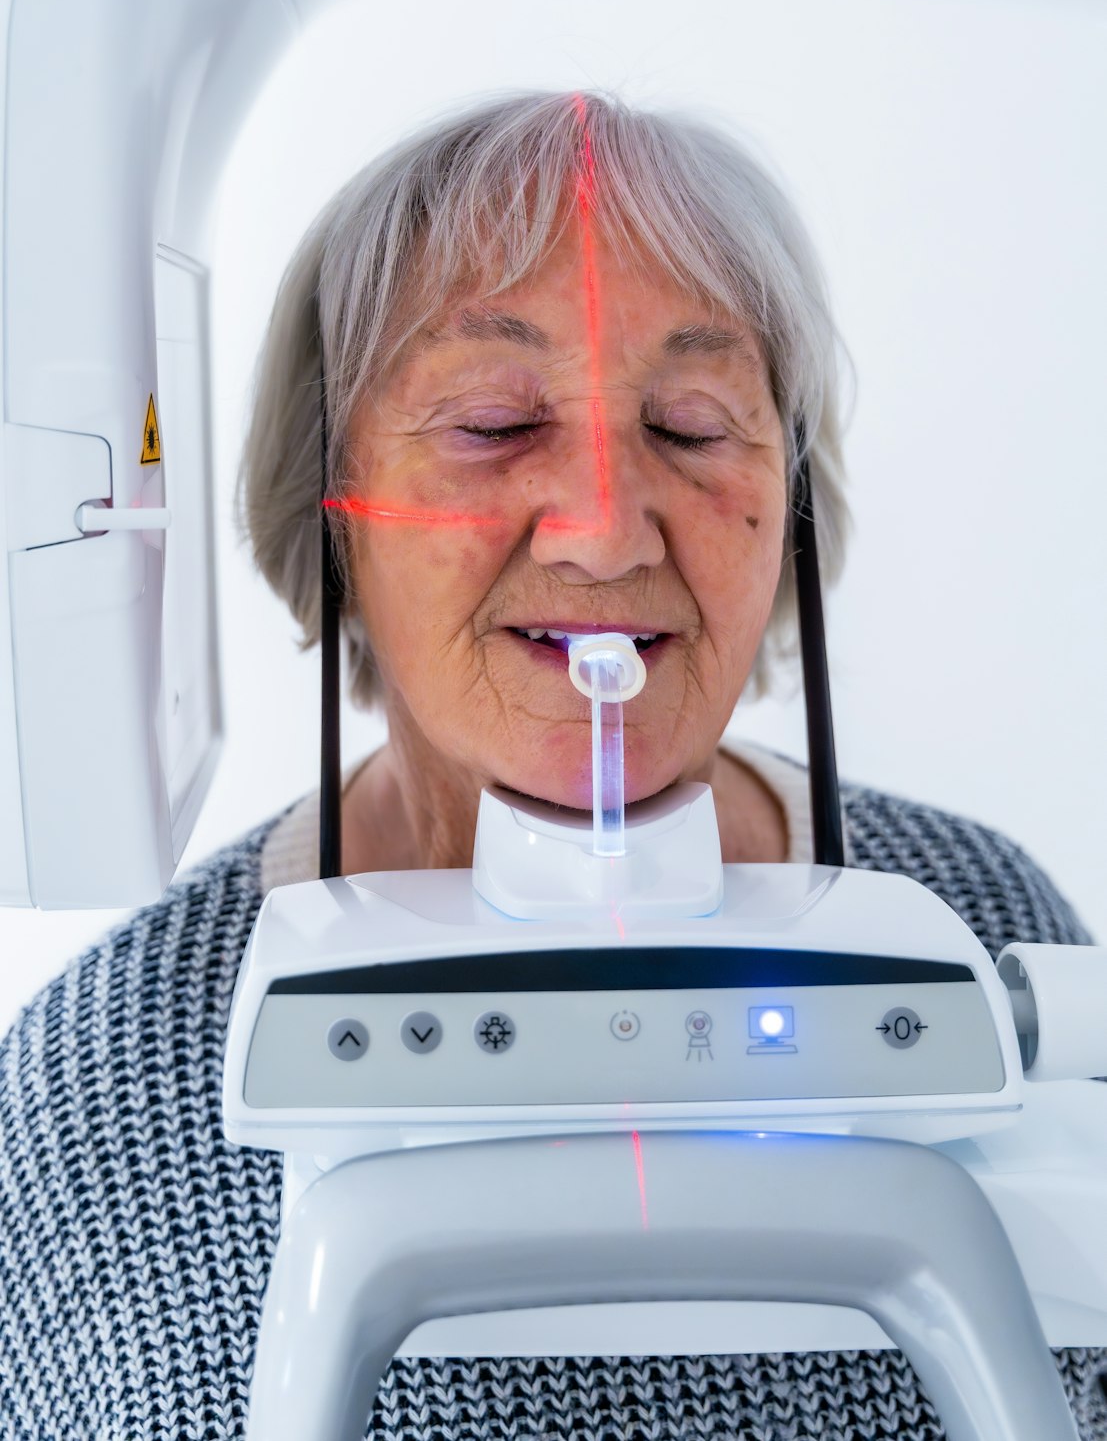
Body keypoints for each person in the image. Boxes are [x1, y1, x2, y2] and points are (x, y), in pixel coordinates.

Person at [1, 90, 1103, 1440]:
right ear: (326, 502)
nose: (601, 533)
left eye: (692, 425)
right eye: (490, 423)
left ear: (792, 505)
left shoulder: (993, 934)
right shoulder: (101, 1081)